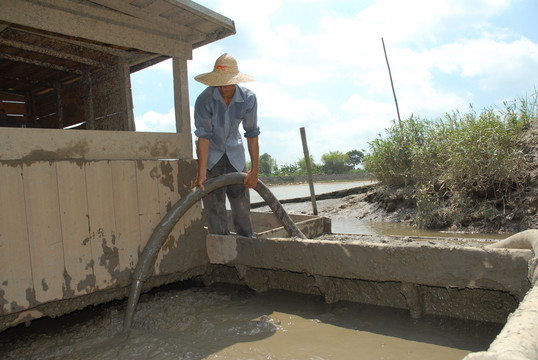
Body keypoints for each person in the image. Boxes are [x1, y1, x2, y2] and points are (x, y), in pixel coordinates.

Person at [193, 53, 260, 237]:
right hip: (211, 158)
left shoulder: (248, 99)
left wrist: (254, 170)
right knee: (214, 209)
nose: (223, 87)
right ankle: (222, 252)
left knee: (241, 208)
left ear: (235, 81)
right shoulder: (204, 100)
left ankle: (247, 248)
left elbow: (252, 134)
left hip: (235, 156)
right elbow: (203, 137)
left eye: (227, 82)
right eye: (219, 82)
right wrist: (202, 173)